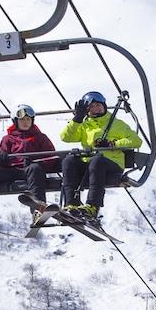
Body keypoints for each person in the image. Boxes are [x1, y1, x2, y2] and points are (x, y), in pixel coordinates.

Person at [58, 90, 142, 221]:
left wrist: (112, 144)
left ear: (104, 106)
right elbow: (66, 137)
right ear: (87, 110)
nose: (96, 109)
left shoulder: (116, 124)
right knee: (69, 160)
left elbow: (136, 141)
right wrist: (77, 119)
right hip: (90, 164)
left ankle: (92, 206)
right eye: (91, 107)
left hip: (111, 163)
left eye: (98, 105)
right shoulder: (84, 125)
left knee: (97, 160)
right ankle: (72, 204)